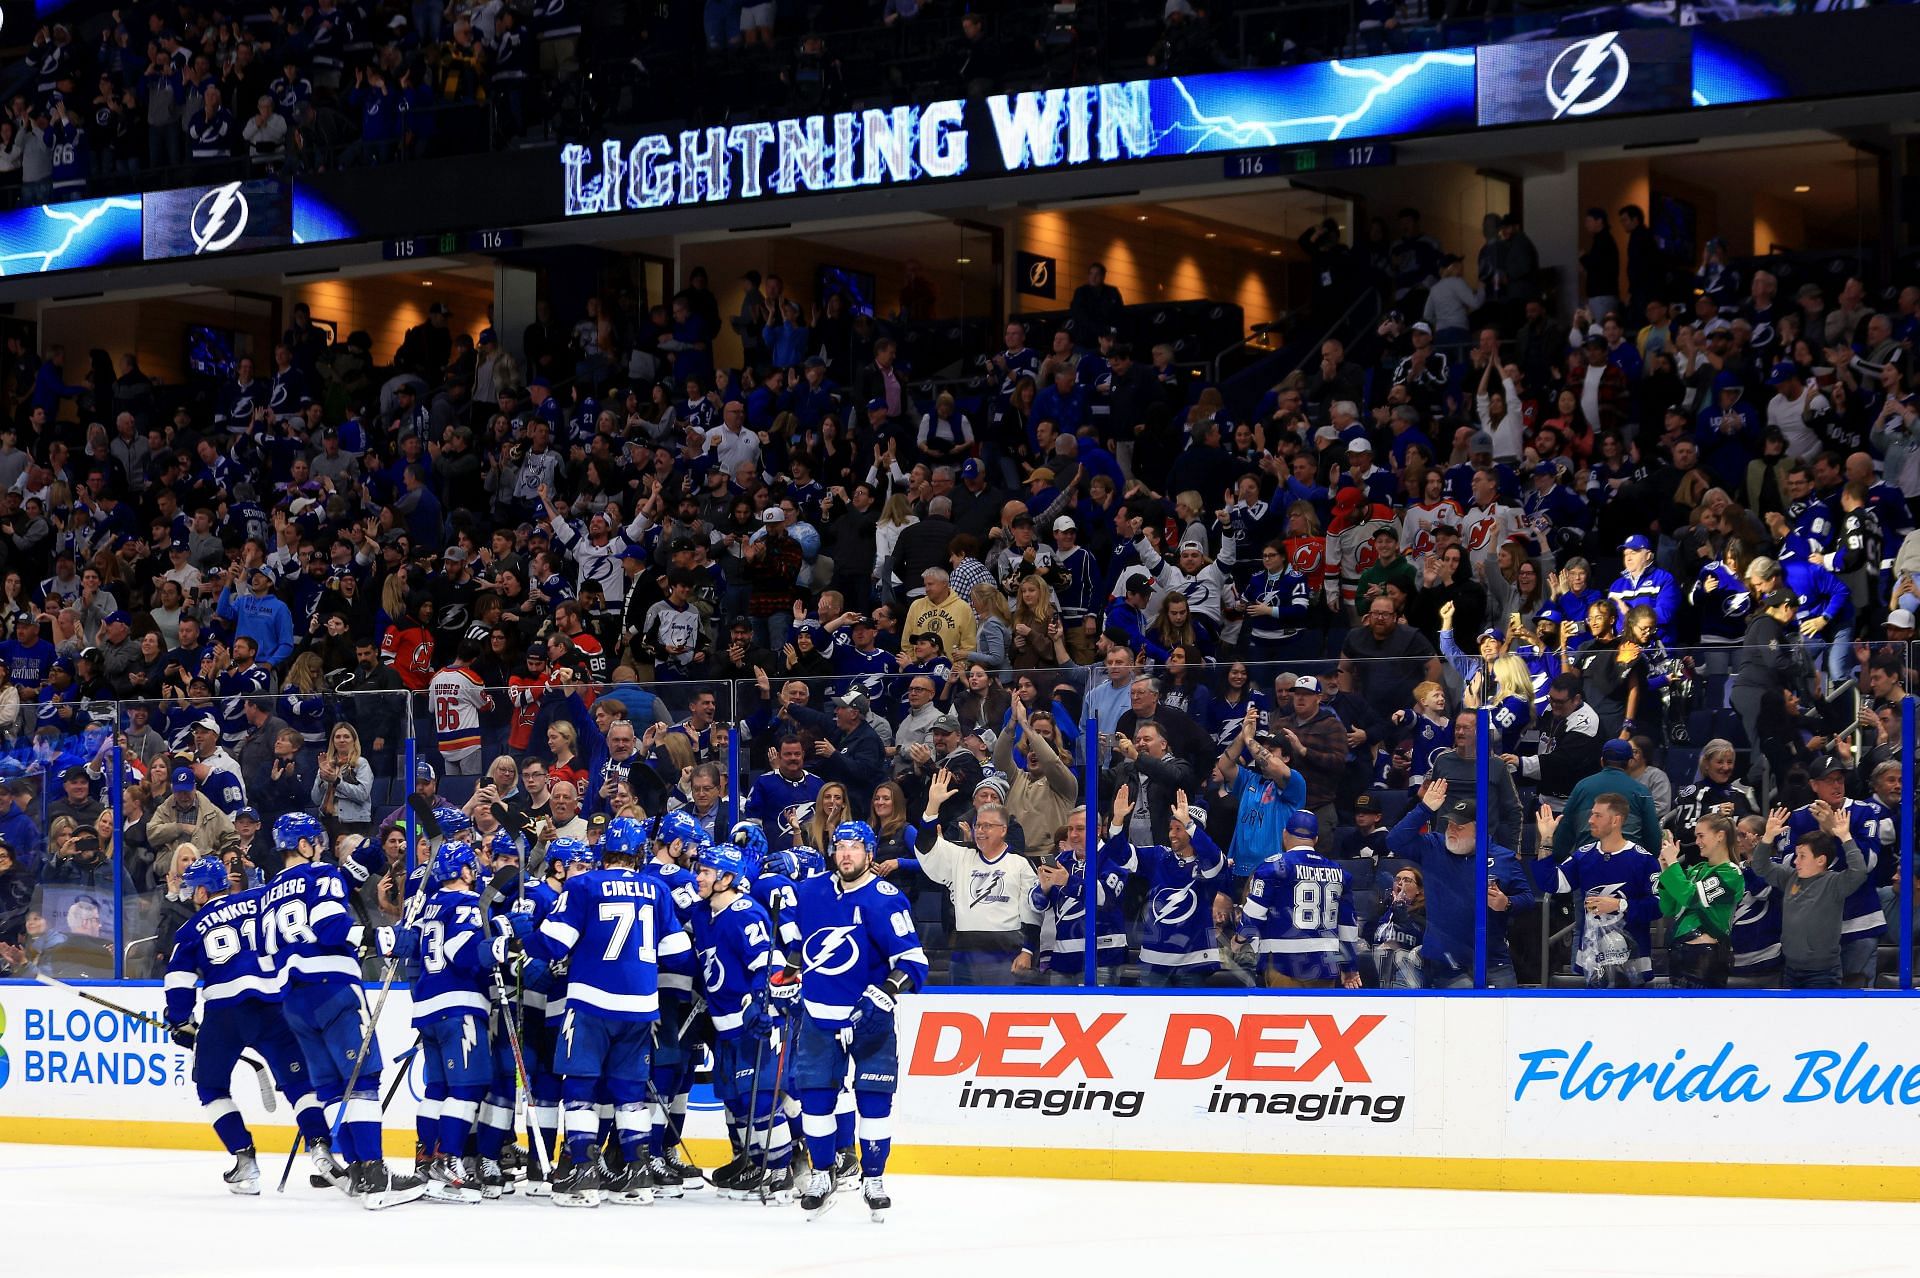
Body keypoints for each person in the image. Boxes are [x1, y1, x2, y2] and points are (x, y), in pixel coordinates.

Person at [510, 830, 691, 1207]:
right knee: (630, 1093)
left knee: (580, 1088)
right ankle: (638, 1175)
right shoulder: (656, 889)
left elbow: (555, 944)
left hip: (591, 1002)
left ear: (603, 851)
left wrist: (525, 935)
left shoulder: (584, 885)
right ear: (640, 853)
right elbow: (677, 952)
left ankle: (583, 1171)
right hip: (641, 1005)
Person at [259, 811, 427, 1208]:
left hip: (294, 1002)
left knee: (335, 1086)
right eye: (315, 841)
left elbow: (266, 952)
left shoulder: (268, 891)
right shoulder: (321, 877)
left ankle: (355, 1168)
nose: (319, 846)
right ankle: (373, 1172)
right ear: (304, 845)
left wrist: (370, 851)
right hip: (332, 988)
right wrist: (384, 937)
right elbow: (333, 928)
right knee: (363, 1080)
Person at [772, 819, 928, 1219]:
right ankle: (823, 1174)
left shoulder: (885, 898)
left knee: (874, 1102)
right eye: (841, 846)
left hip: (870, 1021)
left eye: (855, 847)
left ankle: (873, 1178)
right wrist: (787, 977)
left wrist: (882, 995)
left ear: (870, 855)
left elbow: (913, 962)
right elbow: (796, 944)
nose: (846, 854)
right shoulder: (812, 892)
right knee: (817, 1100)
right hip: (819, 1017)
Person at [162, 855, 340, 1195]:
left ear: (202, 891)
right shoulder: (260, 902)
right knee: (301, 1084)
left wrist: (181, 1021)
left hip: (225, 1012)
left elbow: (179, 980)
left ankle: (245, 1162)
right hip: (275, 1006)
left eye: (192, 887)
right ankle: (321, 1147)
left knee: (211, 1088)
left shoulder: (191, 928)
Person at [395, 837, 511, 1202]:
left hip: (428, 1007)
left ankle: (428, 1160)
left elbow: (408, 946)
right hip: (458, 1005)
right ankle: (449, 1163)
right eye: (471, 865)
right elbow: (460, 952)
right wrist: (506, 943)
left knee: (437, 1090)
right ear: (463, 871)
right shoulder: (467, 904)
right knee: (465, 1088)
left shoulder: (429, 906)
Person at [690, 838, 792, 1199]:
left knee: (760, 1099)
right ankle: (751, 1160)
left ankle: (780, 1170)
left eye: (705, 871)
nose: (697, 877)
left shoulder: (746, 912)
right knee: (734, 1099)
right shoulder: (703, 914)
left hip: (752, 1022)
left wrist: (764, 1004)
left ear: (727, 878)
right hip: (723, 1023)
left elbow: (770, 965)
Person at [1385, 780, 1535, 987]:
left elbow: (1527, 898)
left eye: (1460, 826)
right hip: (1445, 961)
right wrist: (1425, 809)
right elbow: (1394, 840)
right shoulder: (1434, 847)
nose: (1451, 830)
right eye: (1449, 823)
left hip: (1492, 960)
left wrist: (1507, 903)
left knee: (1504, 1016)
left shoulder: (1503, 858)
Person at [905, 767, 1040, 984]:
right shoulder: (960, 856)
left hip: (1006, 954)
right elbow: (926, 848)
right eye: (978, 825)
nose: (980, 831)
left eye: (988, 826)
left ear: (1003, 830)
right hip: (963, 954)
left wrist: (1028, 951)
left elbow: (1032, 913)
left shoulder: (1020, 863)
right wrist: (932, 806)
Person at [1535, 794, 1660, 986]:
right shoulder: (1584, 856)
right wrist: (1546, 838)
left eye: (1597, 815)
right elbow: (1550, 883)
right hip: (1593, 958)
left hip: (1632, 959)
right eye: (1591, 814)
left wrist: (1620, 904)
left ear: (1616, 820)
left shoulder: (1643, 860)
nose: (1590, 820)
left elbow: (1659, 906)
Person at [1746, 800, 1870, 988]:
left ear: (1821, 860)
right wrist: (1767, 837)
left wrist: (1846, 838)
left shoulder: (1834, 883)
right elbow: (1760, 866)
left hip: (1822, 973)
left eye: (1802, 856)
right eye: (1796, 855)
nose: (1796, 861)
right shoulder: (1789, 877)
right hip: (1790, 968)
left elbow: (1859, 871)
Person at [1233, 812, 1360, 989]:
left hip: (1283, 962)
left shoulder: (1272, 867)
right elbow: (1347, 926)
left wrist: (1239, 939)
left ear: (1284, 834)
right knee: (1318, 1017)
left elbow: (1254, 915)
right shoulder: (1339, 873)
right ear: (1315, 839)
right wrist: (1349, 966)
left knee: (1285, 1017)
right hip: (1326, 965)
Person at [1656, 815, 1744, 988]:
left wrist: (1674, 862)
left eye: (1701, 835)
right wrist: (1665, 868)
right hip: (1678, 950)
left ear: (1720, 836)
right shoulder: (1697, 870)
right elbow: (1668, 908)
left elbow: (1690, 897)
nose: (1697, 842)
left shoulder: (1731, 873)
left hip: (1705, 957)